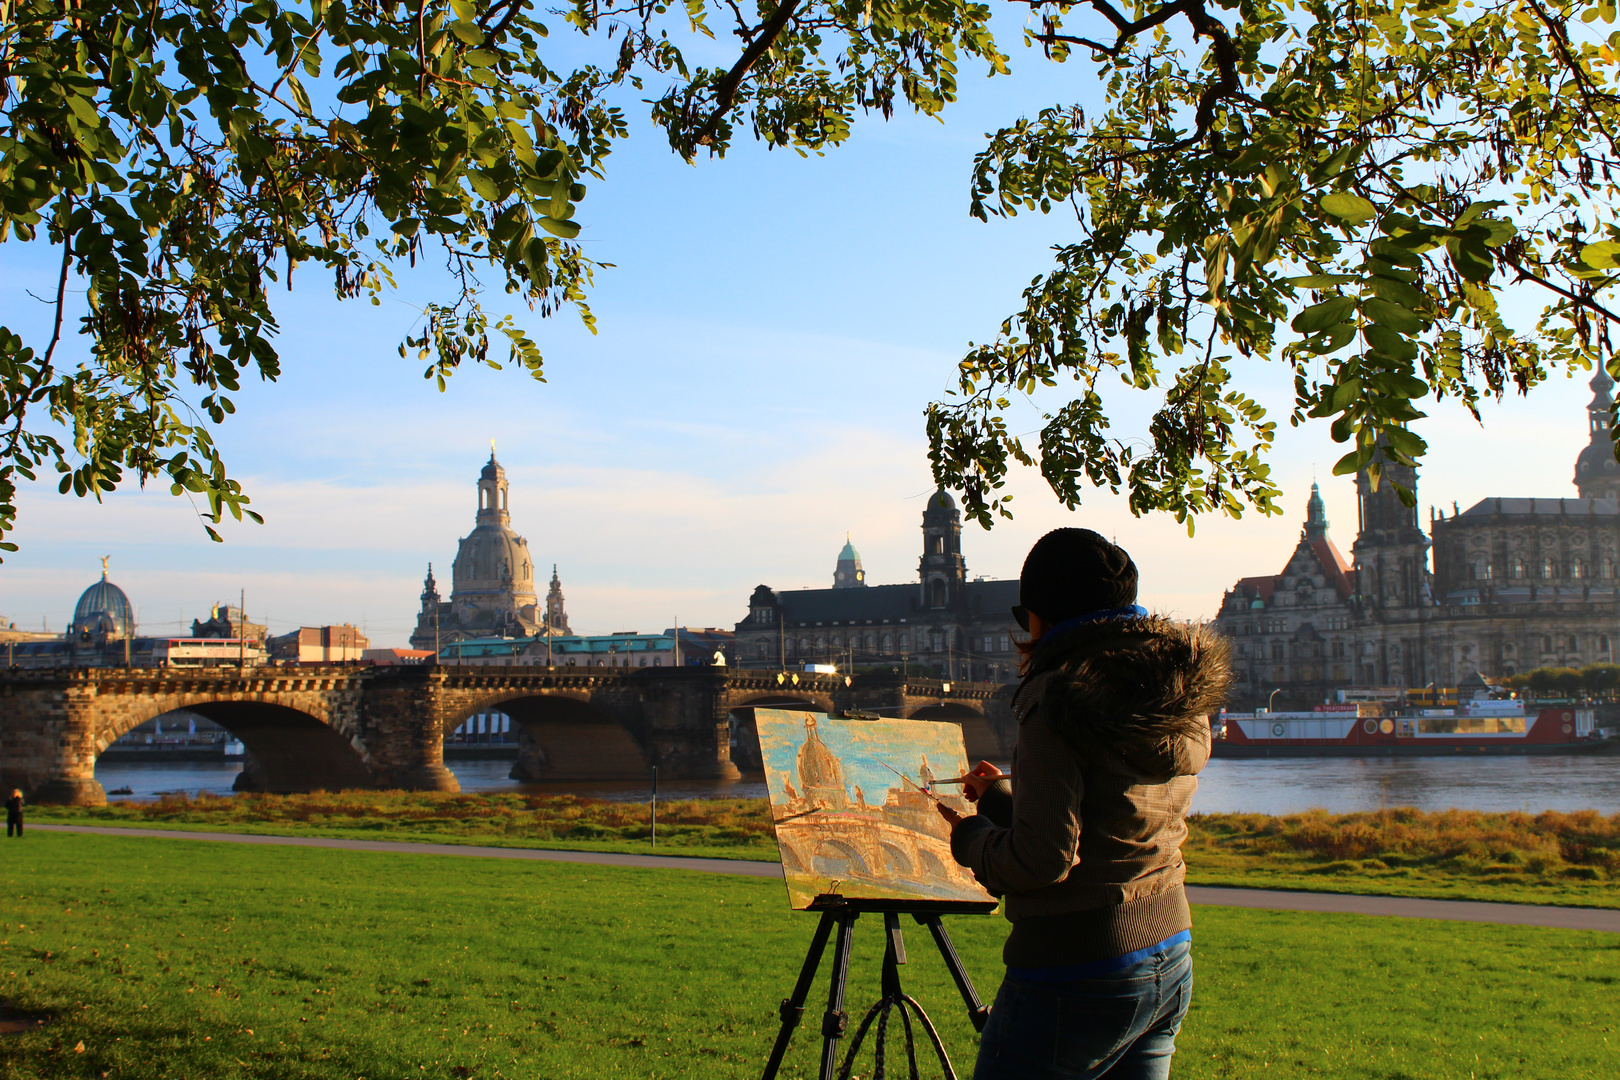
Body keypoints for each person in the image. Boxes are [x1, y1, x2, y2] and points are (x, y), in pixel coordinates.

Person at [938, 528, 1230, 1080]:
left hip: (1074, 968)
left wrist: (968, 838)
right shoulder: (1174, 688)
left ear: (1041, 616)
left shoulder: (1057, 698)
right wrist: (1002, 796)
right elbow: (1114, 810)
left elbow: (1043, 861)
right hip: (1167, 951)